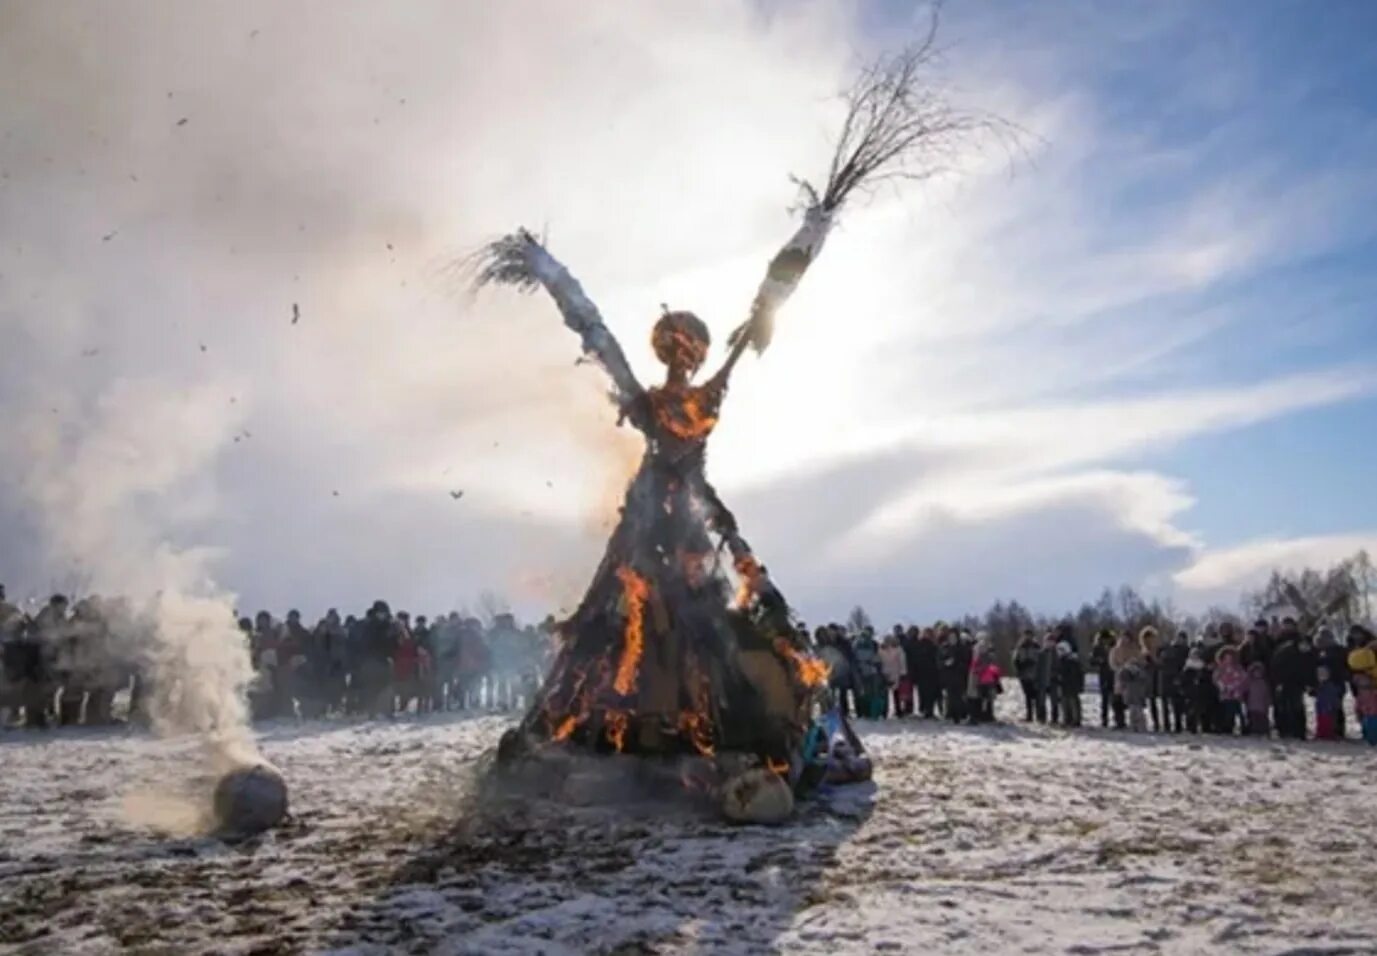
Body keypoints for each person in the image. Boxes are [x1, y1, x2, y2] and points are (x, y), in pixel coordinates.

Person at [1314, 628, 1349, 739]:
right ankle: (1327, 730)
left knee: (1335, 708)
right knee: (1324, 708)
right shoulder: (1318, 653)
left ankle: (1337, 730)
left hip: (1336, 682)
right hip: (1323, 683)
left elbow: (1343, 666)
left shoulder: (1338, 651)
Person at [1158, 630, 1189, 733]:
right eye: (1179, 638)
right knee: (1165, 704)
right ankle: (1166, 725)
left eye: (1183, 638)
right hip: (1165, 678)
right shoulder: (1167, 649)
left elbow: (1185, 665)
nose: (1180, 640)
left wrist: (1180, 677)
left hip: (1177, 678)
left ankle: (1178, 725)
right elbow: (1161, 661)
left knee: (1177, 704)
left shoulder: (1186, 650)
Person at [1212, 646, 1246, 735]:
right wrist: (1221, 685)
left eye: (1230, 658)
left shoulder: (1238, 667)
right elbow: (1216, 678)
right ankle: (1226, 727)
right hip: (1224, 693)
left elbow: (1242, 678)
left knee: (1237, 711)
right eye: (1226, 658)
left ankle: (1242, 727)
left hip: (1236, 693)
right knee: (1226, 711)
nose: (1229, 660)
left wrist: (1234, 686)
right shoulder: (1220, 668)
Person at [1089, 630, 1118, 728]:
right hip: (1104, 674)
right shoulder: (1097, 648)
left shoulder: (1114, 647)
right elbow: (1092, 661)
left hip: (1114, 674)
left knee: (1115, 698)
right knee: (1104, 698)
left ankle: (1118, 718)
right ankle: (1104, 720)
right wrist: (1099, 660)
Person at [911, 627, 942, 719]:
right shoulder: (919, 645)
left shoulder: (934, 645)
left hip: (932, 673)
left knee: (931, 693)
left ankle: (930, 710)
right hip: (922, 673)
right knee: (923, 693)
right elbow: (916, 659)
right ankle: (924, 709)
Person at [1013, 631, 1041, 722]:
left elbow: (1041, 659)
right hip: (1024, 675)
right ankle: (1029, 716)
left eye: (1030, 635)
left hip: (1035, 675)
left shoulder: (1036, 646)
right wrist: (1021, 666)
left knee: (1037, 696)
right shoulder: (1020, 646)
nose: (1028, 637)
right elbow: (1015, 660)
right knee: (1028, 696)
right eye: (1026, 635)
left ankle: (1039, 715)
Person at [878, 632, 908, 718]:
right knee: (884, 694)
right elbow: (878, 660)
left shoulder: (898, 649)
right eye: (886, 640)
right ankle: (884, 711)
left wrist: (903, 672)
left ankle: (898, 711)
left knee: (896, 693)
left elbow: (902, 661)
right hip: (884, 672)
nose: (888, 641)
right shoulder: (881, 649)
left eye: (889, 640)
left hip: (896, 672)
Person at [1057, 640, 1084, 728]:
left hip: (1072, 684)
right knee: (1064, 703)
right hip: (1064, 684)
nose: (1060, 652)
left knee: (1073, 702)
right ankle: (1066, 719)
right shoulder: (1061, 660)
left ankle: (1076, 720)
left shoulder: (1073, 660)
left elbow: (1077, 674)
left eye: (1062, 650)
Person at [1036, 632, 1061, 725]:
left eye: (1051, 641)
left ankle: (1055, 718)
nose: (1049, 643)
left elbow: (1060, 667)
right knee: (1041, 700)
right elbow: (1037, 668)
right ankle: (1041, 717)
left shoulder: (1057, 654)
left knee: (1054, 701)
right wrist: (1036, 680)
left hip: (1053, 680)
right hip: (1043, 680)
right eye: (1048, 641)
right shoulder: (1040, 654)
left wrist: (1057, 675)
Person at [1313, 666, 1342, 741]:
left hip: (1328, 705)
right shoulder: (1320, 685)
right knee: (1321, 719)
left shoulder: (1330, 685)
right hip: (1321, 705)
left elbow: (1334, 696)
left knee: (1329, 720)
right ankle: (1322, 733)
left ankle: (1329, 733)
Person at [1244, 661, 1271, 736]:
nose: (1257, 674)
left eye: (1259, 672)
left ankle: (1263, 731)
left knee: (1262, 719)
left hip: (1262, 705)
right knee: (1253, 719)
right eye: (1256, 672)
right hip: (1252, 705)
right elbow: (1245, 692)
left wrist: (1267, 703)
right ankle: (1253, 731)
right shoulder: (1249, 682)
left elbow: (1266, 694)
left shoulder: (1263, 683)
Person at [1354, 672, 1377, 746]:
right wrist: (1358, 712)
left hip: (1374, 714)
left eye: (1366, 686)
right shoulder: (1360, 696)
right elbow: (1358, 705)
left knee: (1372, 727)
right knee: (1365, 727)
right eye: (1362, 686)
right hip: (1365, 714)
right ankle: (1368, 739)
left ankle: (1372, 740)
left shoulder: (1374, 694)